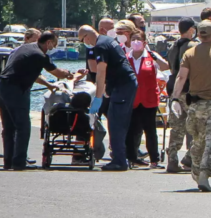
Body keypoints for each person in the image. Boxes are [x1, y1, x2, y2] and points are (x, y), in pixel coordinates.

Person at [170, 21, 211, 192]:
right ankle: (204, 173)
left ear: (198, 35)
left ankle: (196, 169)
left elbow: (181, 78)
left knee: (198, 140)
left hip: (196, 104)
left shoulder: (190, 53)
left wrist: (175, 99)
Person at [0, 32, 74, 170]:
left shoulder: (25, 48)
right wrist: (70, 74)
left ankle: (9, 161)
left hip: (3, 86)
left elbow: (33, 75)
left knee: (9, 127)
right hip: (16, 90)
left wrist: (48, 85)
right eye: (54, 45)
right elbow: (58, 73)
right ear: (49, 42)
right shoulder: (40, 55)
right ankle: (19, 163)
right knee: (23, 126)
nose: (53, 48)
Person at [78, 25, 138, 170]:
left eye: (82, 40)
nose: (84, 43)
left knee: (115, 123)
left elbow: (101, 72)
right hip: (124, 84)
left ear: (87, 36)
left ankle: (119, 161)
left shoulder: (100, 46)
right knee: (119, 121)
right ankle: (121, 157)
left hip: (123, 86)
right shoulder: (107, 40)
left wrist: (98, 98)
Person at [165, 18, 198, 173]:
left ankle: (172, 158)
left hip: (173, 88)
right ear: (191, 29)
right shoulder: (193, 46)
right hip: (188, 89)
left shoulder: (173, 46)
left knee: (176, 127)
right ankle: (190, 157)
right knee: (197, 127)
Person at [125, 30, 162, 169]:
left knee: (150, 130)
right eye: (133, 39)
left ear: (144, 42)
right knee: (132, 130)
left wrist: (154, 56)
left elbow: (166, 67)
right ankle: (132, 158)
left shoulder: (151, 57)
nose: (135, 42)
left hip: (149, 99)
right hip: (132, 100)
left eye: (138, 39)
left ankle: (154, 159)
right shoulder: (125, 58)